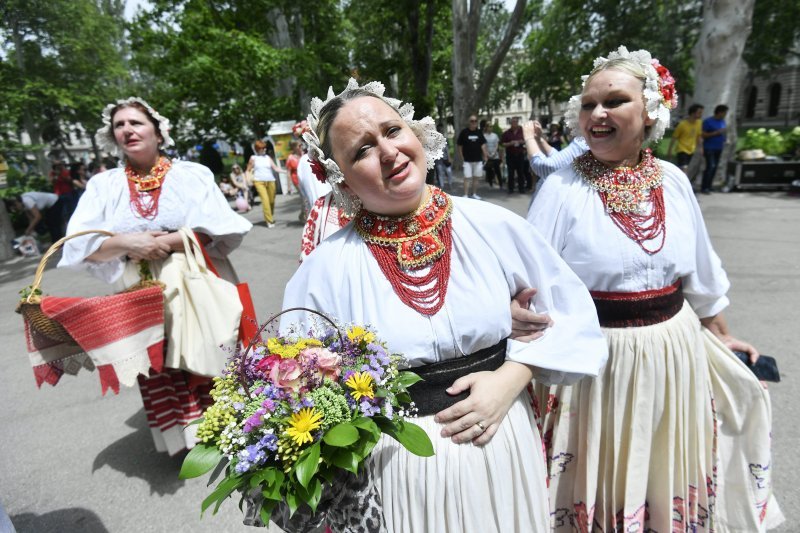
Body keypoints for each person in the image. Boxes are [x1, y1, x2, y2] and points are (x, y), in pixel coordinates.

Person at [282, 79, 608, 532]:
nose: (388, 151)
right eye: (361, 151)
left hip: (502, 437)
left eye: (393, 131)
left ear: (416, 133)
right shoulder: (325, 270)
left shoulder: (491, 224)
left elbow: (571, 313)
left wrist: (511, 378)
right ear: (341, 177)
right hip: (400, 464)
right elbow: (294, 382)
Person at [527, 46, 780, 531]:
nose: (596, 115)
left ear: (650, 112)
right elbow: (527, 286)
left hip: (674, 356)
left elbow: (702, 278)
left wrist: (721, 336)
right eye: (587, 104)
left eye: (614, 101)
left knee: (662, 476)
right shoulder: (561, 189)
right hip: (595, 366)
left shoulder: (674, 179)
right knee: (600, 484)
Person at [57, 97, 252, 455]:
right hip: (139, 285)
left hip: (196, 277)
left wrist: (168, 241)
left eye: (136, 122)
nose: (128, 130)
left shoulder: (192, 174)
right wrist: (127, 243)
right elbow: (81, 246)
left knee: (213, 346)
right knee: (159, 362)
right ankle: (190, 440)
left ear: (158, 132)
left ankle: (239, 430)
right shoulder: (105, 186)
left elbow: (221, 229)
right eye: (120, 125)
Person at [522, 119, 588, 199]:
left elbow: (546, 167)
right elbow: (561, 160)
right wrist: (539, 139)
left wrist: (529, 138)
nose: (567, 125)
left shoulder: (583, 141)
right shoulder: (582, 140)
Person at [246, 139, 285, 228]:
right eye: (262, 148)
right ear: (257, 149)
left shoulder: (267, 157)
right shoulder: (253, 158)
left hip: (271, 180)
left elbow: (275, 168)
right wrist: (248, 180)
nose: (264, 150)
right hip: (259, 181)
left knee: (271, 201)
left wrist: (286, 171)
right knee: (265, 201)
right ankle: (269, 220)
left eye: (265, 148)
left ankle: (269, 215)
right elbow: (247, 170)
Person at [667, 103, 705, 177]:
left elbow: (698, 136)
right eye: (699, 112)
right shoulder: (682, 124)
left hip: (691, 150)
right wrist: (670, 151)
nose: (701, 114)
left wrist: (701, 148)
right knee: (684, 170)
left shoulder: (699, 123)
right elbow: (674, 138)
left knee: (686, 170)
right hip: (682, 150)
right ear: (693, 113)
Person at [456, 114, 487, 199]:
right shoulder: (464, 132)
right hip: (467, 160)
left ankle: (474, 194)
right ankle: (465, 195)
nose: (473, 122)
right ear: (469, 122)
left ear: (477, 122)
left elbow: (483, 144)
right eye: (472, 121)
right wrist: (462, 157)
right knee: (467, 177)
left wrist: (485, 155)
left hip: (478, 160)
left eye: (475, 121)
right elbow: (459, 146)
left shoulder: (479, 132)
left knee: (476, 178)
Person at [701, 104, 729, 194]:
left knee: (715, 167)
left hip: (719, 147)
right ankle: (704, 187)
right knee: (710, 166)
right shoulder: (708, 121)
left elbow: (723, 132)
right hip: (709, 147)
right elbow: (703, 135)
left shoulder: (722, 122)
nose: (725, 115)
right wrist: (716, 133)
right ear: (719, 112)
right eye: (724, 113)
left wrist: (725, 137)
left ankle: (709, 186)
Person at [502, 116, 528, 193]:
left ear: (517, 122)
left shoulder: (522, 132)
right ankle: (510, 189)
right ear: (510, 123)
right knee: (511, 173)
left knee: (520, 172)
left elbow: (526, 141)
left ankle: (521, 188)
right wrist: (510, 143)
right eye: (513, 122)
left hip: (520, 154)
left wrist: (521, 142)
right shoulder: (507, 133)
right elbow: (503, 144)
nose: (514, 124)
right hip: (510, 155)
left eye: (516, 122)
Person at [482, 119, 503, 188]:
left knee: (497, 169)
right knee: (489, 169)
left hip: (495, 155)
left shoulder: (495, 135)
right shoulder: (484, 136)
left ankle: (500, 184)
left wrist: (494, 152)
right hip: (487, 155)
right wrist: (486, 154)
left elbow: (497, 145)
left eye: (491, 126)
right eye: (489, 126)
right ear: (486, 127)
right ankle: (490, 182)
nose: (490, 128)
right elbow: (483, 145)